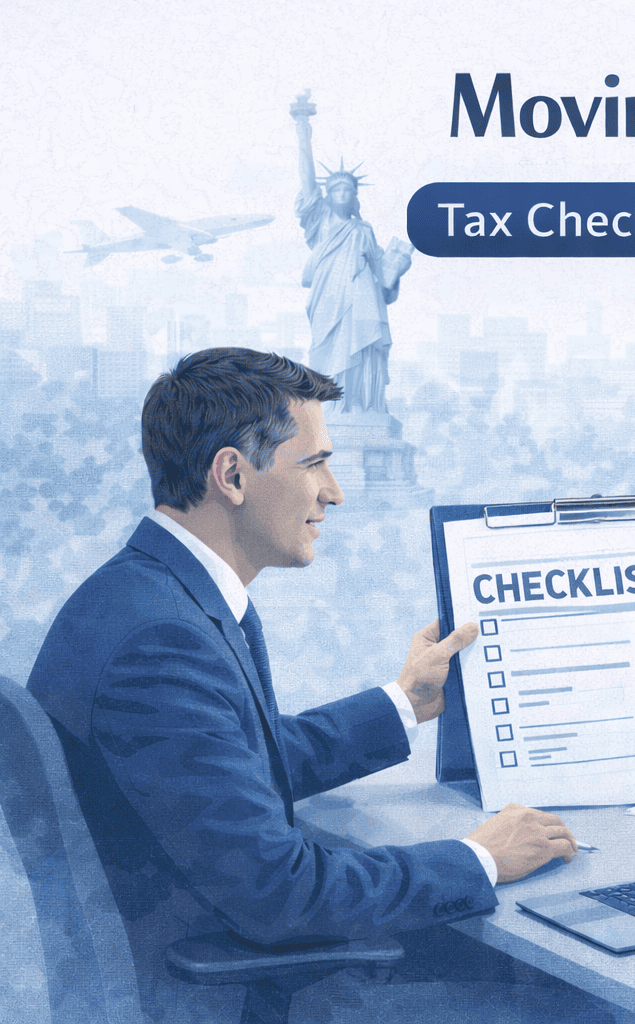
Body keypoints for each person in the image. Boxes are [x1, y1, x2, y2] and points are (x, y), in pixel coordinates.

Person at [27, 348, 590, 1020]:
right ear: (232, 475)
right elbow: (280, 895)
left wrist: (403, 703)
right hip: (215, 994)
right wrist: (479, 858)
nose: (334, 491)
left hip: (204, 952)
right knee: (572, 1004)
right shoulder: (160, 642)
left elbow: (225, 766)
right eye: (314, 463)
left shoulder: (148, 596)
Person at [290, 91, 409, 413]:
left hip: (362, 296)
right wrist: (303, 125)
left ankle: (359, 404)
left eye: (348, 190)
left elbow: (382, 277)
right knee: (328, 349)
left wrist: (399, 266)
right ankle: (331, 406)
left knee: (365, 349)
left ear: (355, 195)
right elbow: (305, 173)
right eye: (336, 189)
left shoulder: (363, 230)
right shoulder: (320, 221)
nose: (343, 193)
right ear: (327, 195)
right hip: (329, 297)